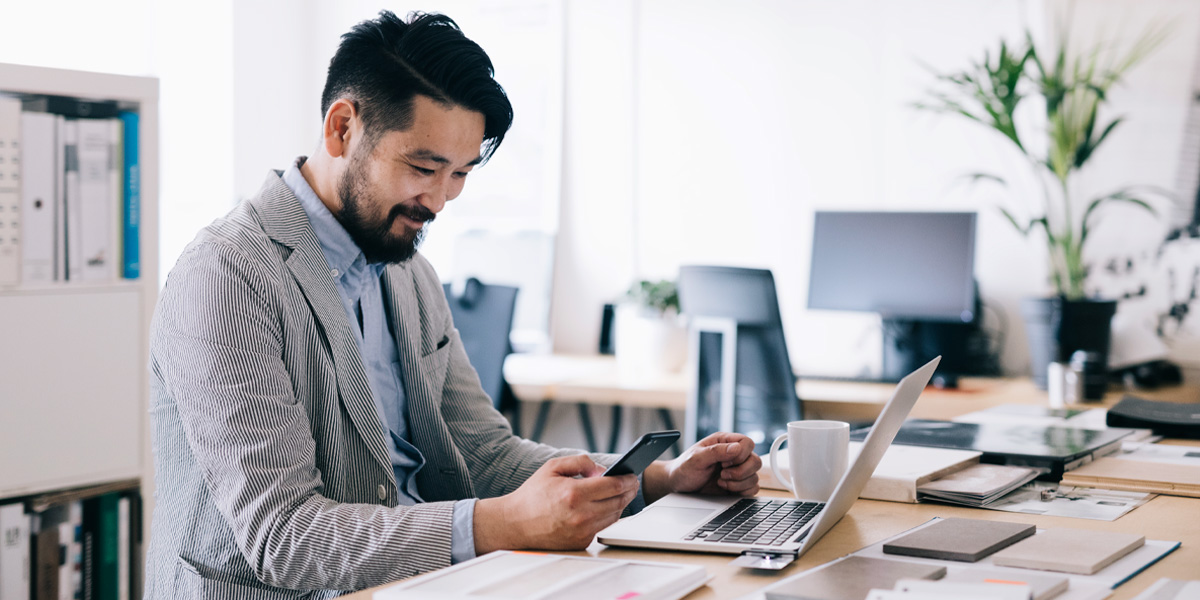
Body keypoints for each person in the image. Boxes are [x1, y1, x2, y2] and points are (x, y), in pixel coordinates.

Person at [145, 10, 761, 599]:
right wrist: (502, 525)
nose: (439, 201)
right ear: (342, 128)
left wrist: (657, 479)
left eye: (460, 174)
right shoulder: (227, 276)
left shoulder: (408, 272)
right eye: (424, 166)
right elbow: (283, 537)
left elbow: (483, 454)